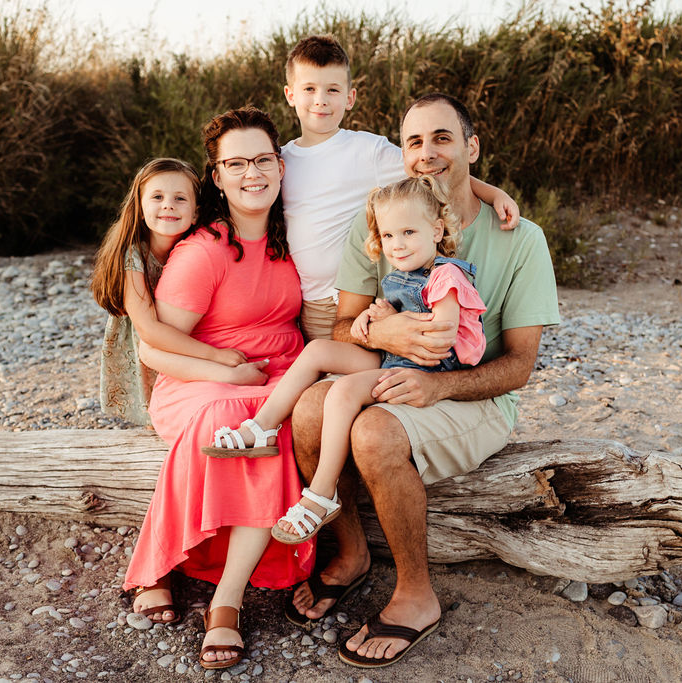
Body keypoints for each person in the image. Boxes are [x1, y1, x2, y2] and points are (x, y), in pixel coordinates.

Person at [288, 93, 561, 668]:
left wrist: (440, 387)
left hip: (472, 393)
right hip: (389, 371)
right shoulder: (387, 221)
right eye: (414, 141)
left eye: (442, 138)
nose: (427, 152)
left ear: (471, 146)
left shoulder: (521, 238)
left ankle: (416, 594)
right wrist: (380, 335)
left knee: (374, 435)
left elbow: (520, 366)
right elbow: (343, 322)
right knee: (310, 409)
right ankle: (353, 552)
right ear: (402, 152)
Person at [121, 107, 314, 670]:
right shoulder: (203, 250)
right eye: (236, 163)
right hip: (200, 380)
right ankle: (197, 583)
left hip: (278, 372)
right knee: (236, 415)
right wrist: (225, 372)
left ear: (279, 166)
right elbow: (153, 348)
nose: (251, 173)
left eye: (261, 160)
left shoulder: (292, 237)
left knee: (284, 414)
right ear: (218, 176)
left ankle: (221, 592)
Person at [202, 176, 487, 553]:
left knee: (343, 392)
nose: (396, 244)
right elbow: (398, 318)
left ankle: (322, 493)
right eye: (387, 236)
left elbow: (441, 334)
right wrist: (379, 318)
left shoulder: (446, 275)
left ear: (436, 230)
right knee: (319, 350)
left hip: (428, 369)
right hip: (397, 355)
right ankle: (263, 427)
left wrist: (396, 328)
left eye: (407, 232)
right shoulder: (404, 272)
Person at [280, 35, 520, 341]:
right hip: (304, 301)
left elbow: (430, 172)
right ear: (290, 94)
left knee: (338, 369)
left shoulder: (369, 150)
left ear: (350, 97)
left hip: (354, 298)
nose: (320, 100)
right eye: (309, 89)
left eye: (332, 90)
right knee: (310, 376)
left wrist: (493, 193)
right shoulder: (282, 160)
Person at [91, 158, 266, 428]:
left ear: (196, 212)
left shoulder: (198, 248)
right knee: (153, 401)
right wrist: (216, 355)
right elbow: (149, 330)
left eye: (180, 198)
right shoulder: (133, 256)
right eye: (157, 197)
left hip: (183, 334)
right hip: (150, 338)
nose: (168, 205)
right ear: (139, 208)